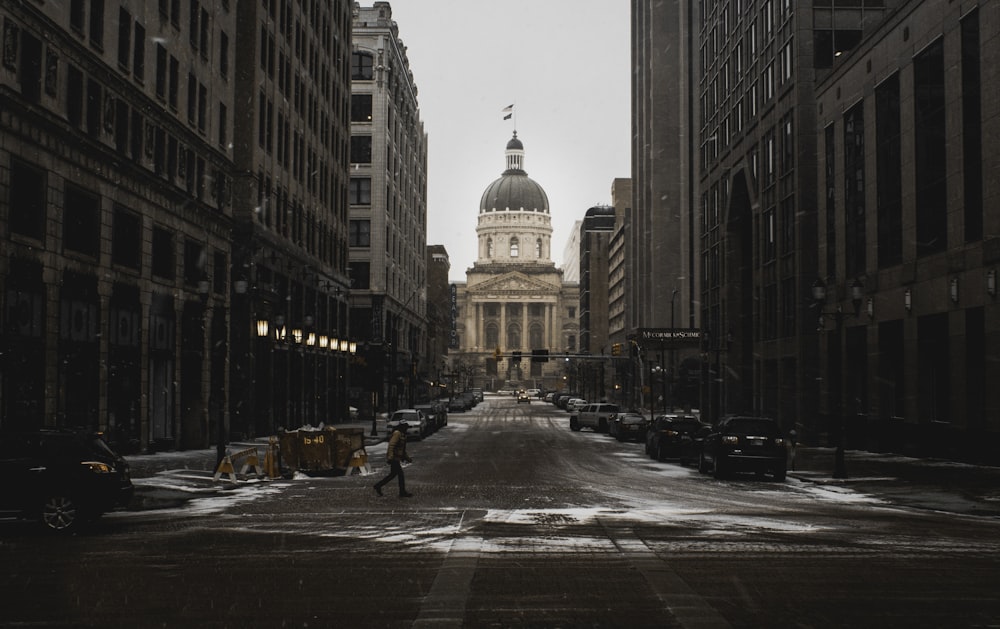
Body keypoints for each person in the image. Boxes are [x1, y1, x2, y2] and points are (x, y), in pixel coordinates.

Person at [374, 420, 413, 498]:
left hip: (396, 458)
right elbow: (391, 445)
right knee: (400, 475)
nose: (407, 429)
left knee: (392, 475)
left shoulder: (402, 435)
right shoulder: (397, 434)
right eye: (405, 427)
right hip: (394, 458)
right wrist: (390, 457)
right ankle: (402, 492)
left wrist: (407, 458)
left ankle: (378, 485)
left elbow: (402, 450)